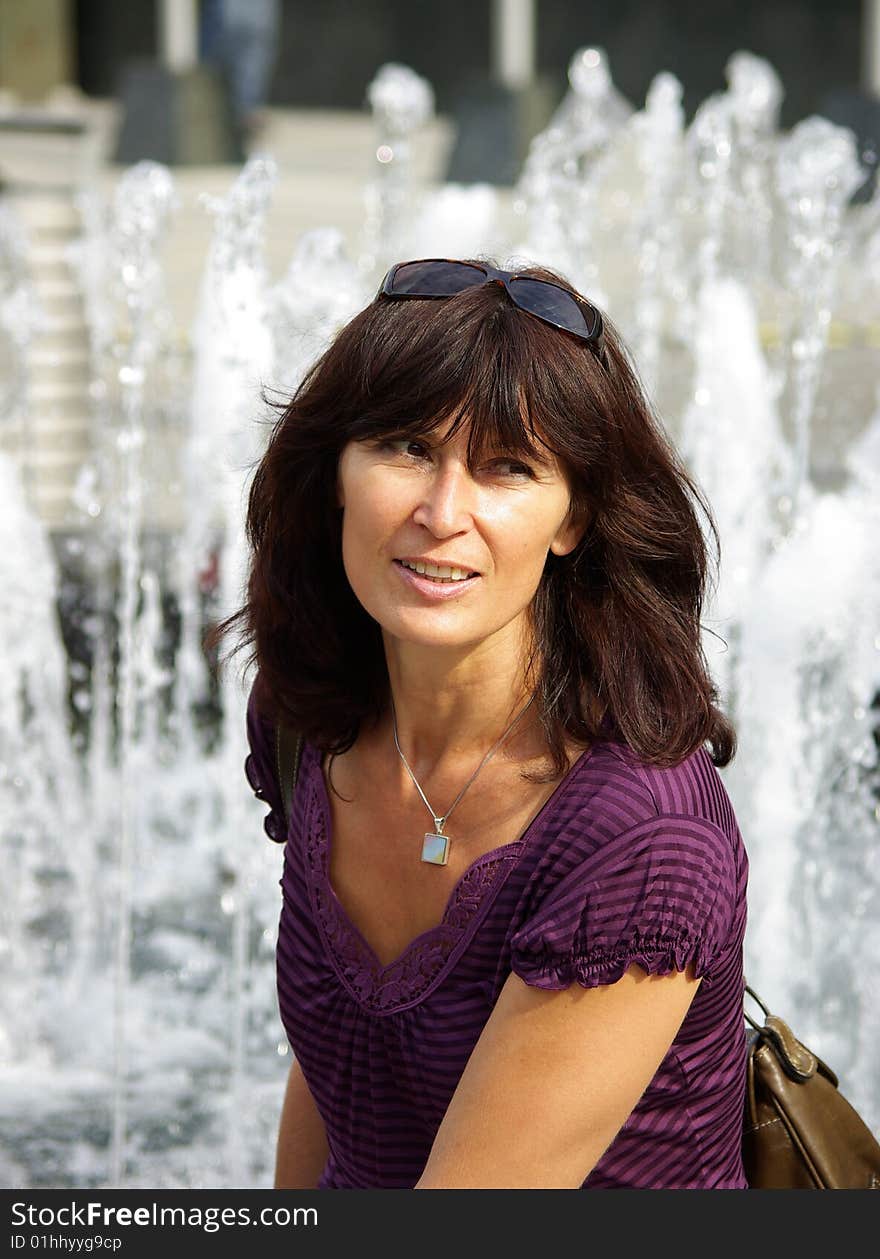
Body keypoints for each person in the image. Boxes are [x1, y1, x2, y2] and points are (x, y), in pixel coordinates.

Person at [214, 257, 749, 1189]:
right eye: (406, 447)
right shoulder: (314, 720)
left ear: (572, 517)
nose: (441, 512)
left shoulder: (638, 838)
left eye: (506, 467)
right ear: (335, 470)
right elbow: (340, 1065)